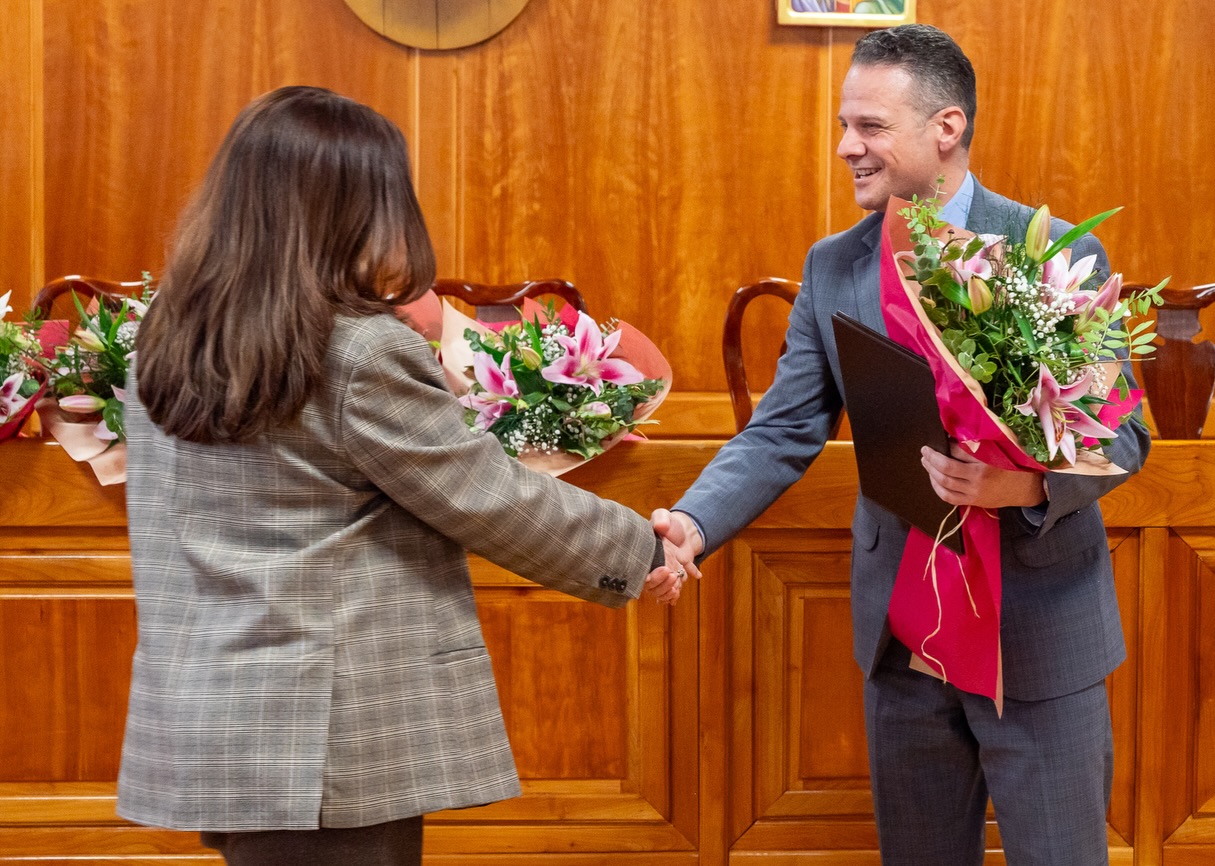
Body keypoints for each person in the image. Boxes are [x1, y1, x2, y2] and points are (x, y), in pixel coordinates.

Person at [117, 85, 689, 866]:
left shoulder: (168, 335)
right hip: (333, 735)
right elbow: (484, 496)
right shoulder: (355, 349)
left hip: (215, 716)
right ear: (351, 207)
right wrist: (645, 549)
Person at [654, 24, 1149, 866]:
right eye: (844, 126)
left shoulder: (1056, 251)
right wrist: (694, 523)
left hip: (1038, 633)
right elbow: (782, 428)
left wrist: (1024, 487)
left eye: (869, 127)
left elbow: (1122, 437)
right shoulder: (832, 266)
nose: (846, 147)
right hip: (904, 638)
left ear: (945, 127)